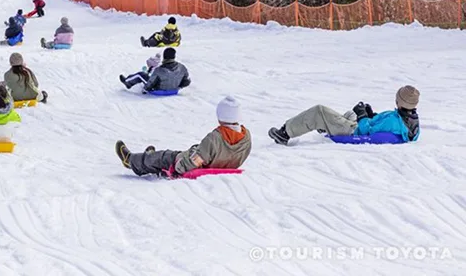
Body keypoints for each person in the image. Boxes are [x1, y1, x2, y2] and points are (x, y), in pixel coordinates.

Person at [116, 96, 251, 177]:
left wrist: (178, 166)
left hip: (199, 167)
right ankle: (150, 158)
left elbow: (192, 163)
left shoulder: (214, 138)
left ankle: (131, 160)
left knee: (167, 156)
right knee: (174, 155)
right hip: (224, 166)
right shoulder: (246, 137)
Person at [268, 86, 421, 146]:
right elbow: (380, 125)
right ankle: (325, 124)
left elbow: (365, 132)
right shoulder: (409, 119)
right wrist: (370, 114)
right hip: (362, 125)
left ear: (399, 101)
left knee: (318, 111)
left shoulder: (394, 121)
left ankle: (285, 133)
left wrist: (363, 117)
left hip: (354, 131)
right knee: (350, 114)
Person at [120, 47, 191, 92]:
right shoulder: (182, 67)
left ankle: (127, 82)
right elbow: (187, 81)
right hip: (174, 89)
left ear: (164, 57)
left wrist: (145, 89)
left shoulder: (159, 70)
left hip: (159, 89)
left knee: (140, 74)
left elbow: (150, 84)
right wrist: (178, 87)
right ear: (174, 56)